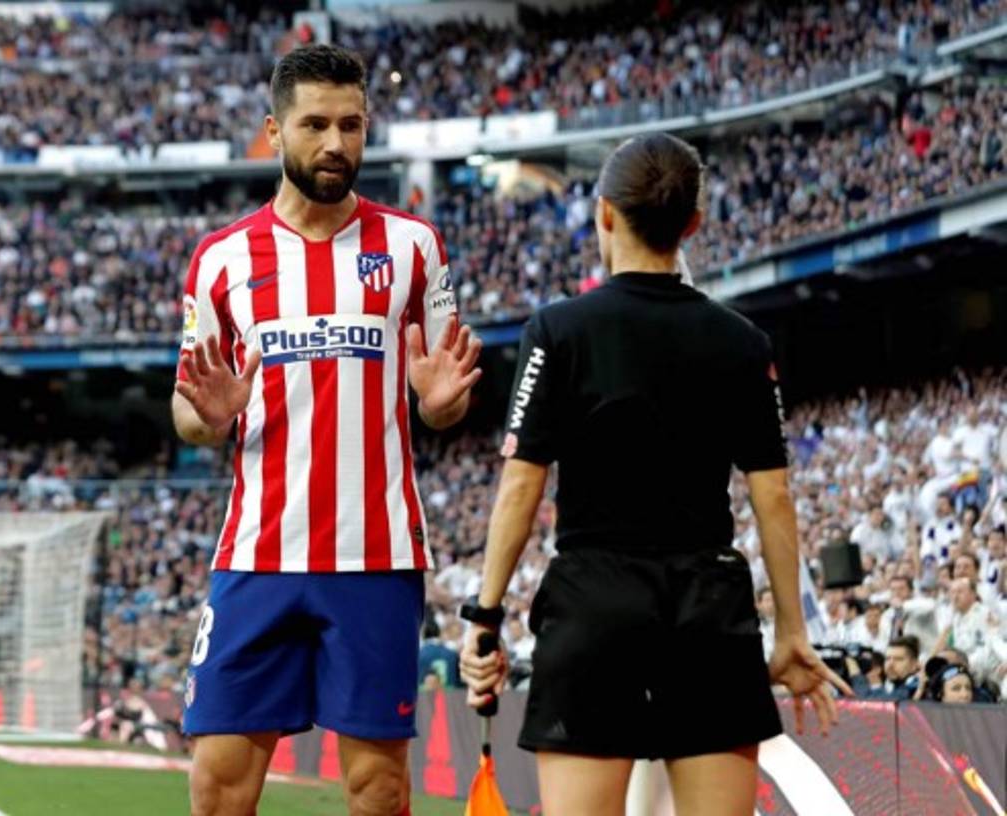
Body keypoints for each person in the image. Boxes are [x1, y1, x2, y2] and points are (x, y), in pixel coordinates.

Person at [457, 133, 850, 816]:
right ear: (693, 223)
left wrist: (484, 619)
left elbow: (521, 485)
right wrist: (791, 631)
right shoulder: (743, 342)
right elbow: (773, 495)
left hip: (593, 604)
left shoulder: (559, 330)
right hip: (707, 607)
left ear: (604, 213)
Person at [171, 44, 481, 816]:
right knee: (216, 786)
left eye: (351, 124)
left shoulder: (412, 247)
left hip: (374, 557)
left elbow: (443, 402)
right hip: (258, 555)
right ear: (273, 132)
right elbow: (187, 409)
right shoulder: (222, 259)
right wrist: (207, 417)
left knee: (379, 790)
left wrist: (442, 403)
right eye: (315, 124)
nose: (336, 143)